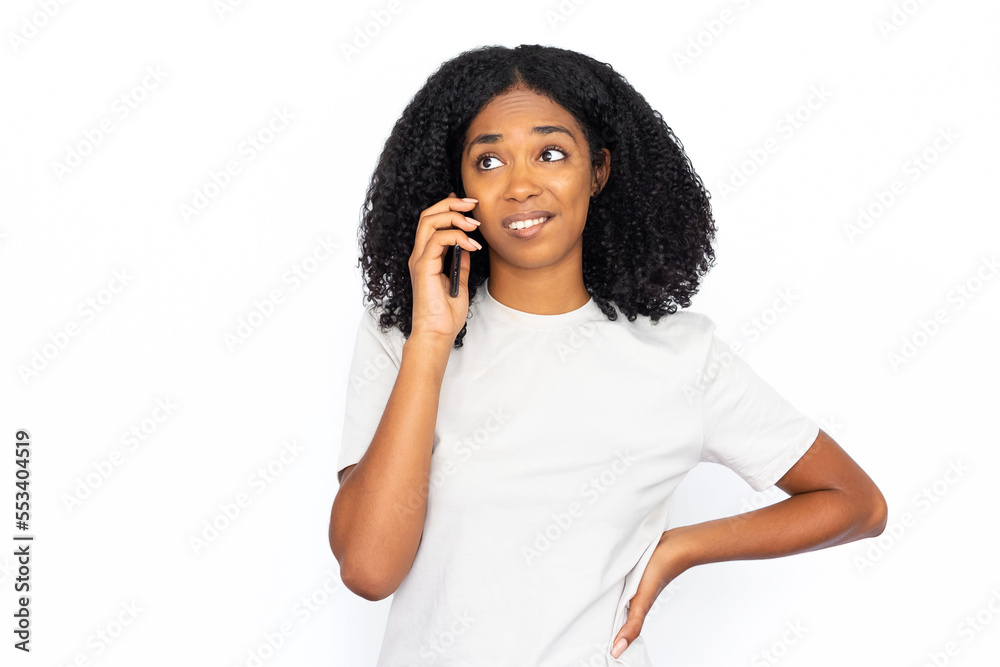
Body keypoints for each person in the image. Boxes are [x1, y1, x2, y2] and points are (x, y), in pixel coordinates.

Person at [328, 44, 887, 666]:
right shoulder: (402, 334)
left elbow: (855, 503)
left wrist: (681, 547)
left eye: (551, 153)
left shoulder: (680, 356)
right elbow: (369, 569)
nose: (520, 185)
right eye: (489, 160)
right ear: (459, 187)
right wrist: (431, 341)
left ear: (598, 170)